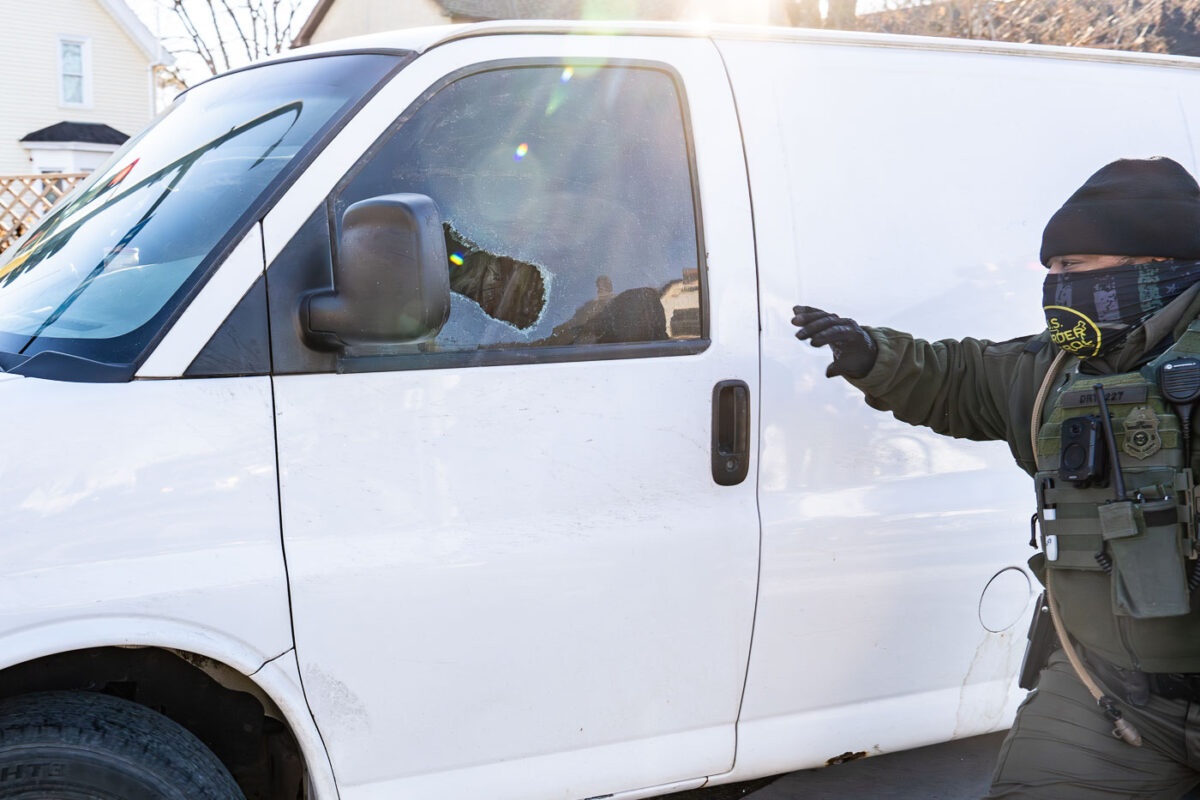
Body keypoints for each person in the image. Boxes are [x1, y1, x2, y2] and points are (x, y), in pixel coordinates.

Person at [793, 156, 1200, 800]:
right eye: (1052, 271)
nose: (1056, 286)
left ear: (1154, 264)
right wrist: (873, 354)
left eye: (1074, 267)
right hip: (1110, 695)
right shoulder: (1051, 370)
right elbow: (959, 378)